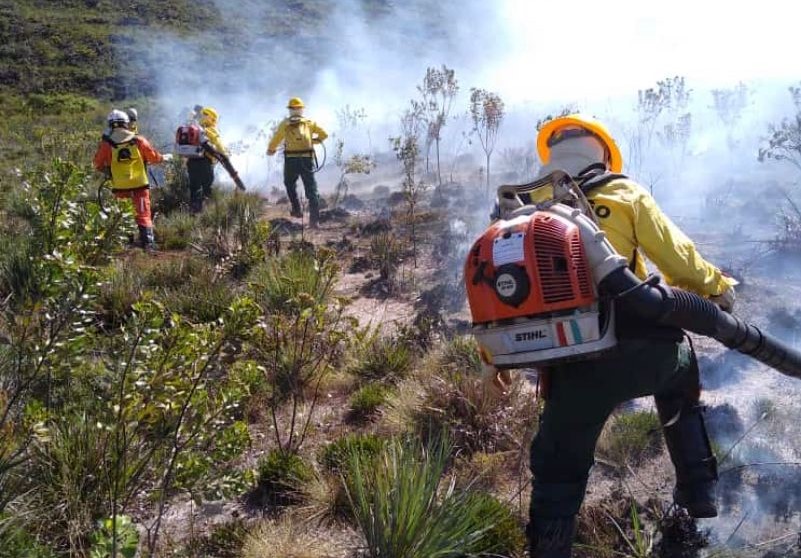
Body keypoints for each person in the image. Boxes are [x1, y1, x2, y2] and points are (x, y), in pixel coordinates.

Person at [495, 115, 737, 557]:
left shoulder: (525, 215)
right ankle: (698, 490)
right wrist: (717, 290)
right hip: (644, 350)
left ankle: (550, 548)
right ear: (602, 153)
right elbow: (679, 260)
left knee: (557, 469)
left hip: (570, 366)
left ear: (554, 155)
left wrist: (489, 358)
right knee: (682, 370)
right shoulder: (623, 193)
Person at [93, 109, 164, 251]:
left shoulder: (107, 144)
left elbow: (97, 164)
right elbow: (154, 158)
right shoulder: (138, 140)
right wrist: (163, 158)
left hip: (120, 186)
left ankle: (127, 244)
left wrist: (110, 171)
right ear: (125, 123)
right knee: (143, 213)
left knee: (122, 213)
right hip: (140, 184)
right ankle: (148, 244)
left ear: (111, 124)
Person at [267, 97, 328, 227]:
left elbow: (277, 138)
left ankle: (297, 209)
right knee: (311, 189)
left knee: (289, 183)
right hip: (307, 159)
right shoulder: (310, 123)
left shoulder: (285, 123)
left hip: (291, 160)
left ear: (290, 110)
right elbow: (324, 134)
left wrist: (271, 150)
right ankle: (314, 221)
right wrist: (314, 141)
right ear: (302, 109)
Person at [187, 106, 228, 213]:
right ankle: (207, 211)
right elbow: (218, 144)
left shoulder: (194, 129)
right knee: (207, 187)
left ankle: (193, 210)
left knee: (194, 187)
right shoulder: (210, 129)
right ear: (212, 118)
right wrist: (225, 155)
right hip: (205, 162)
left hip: (191, 162)